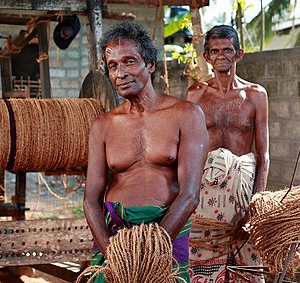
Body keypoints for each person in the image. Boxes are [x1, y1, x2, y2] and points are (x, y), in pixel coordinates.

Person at [83, 21, 209, 283]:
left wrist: (152, 248)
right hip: (116, 236)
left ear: (150, 64)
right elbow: (91, 200)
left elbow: (189, 195)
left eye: (129, 61)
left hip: (168, 233)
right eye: (113, 66)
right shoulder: (103, 125)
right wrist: (114, 254)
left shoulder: (186, 115)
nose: (120, 73)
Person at [186, 24, 269, 283]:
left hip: (241, 193)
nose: (221, 55)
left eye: (227, 50)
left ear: (239, 54)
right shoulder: (195, 94)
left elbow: (263, 154)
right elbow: (188, 148)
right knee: (201, 259)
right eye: (215, 50)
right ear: (206, 56)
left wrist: (255, 206)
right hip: (204, 196)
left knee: (248, 261)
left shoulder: (256, 95)